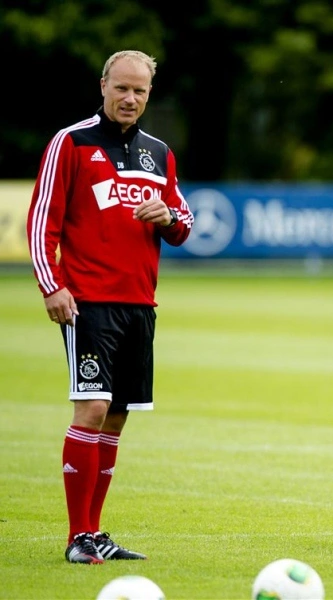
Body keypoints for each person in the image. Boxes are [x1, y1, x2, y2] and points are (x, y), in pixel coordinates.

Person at [27, 50, 194, 564]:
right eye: (121, 88)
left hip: (139, 303)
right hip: (89, 301)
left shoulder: (158, 153)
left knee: (117, 418)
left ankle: (94, 533)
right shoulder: (71, 142)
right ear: (103, 86)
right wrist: (52, 285)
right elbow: (40, 222)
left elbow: (183, 225)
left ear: (149, 94)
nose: (130, 98)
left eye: (140, 91)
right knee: (93, 407)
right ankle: (79, 536)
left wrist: (166, 215)